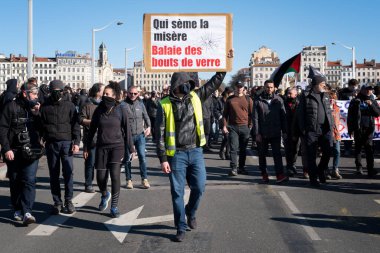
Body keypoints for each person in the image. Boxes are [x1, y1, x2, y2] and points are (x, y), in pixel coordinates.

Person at [156, 71, 226, 242]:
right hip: (176, 154)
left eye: (189, 82)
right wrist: (163, 159)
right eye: (185, 82)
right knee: (177, 192)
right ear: (176, 85)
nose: (188, 85)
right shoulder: (164, 104)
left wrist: (223, 67)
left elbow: (213, 83)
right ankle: (180, 226)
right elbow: (159, 135)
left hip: (195, 151)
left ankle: (191, 212)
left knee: (200, 187)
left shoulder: (195, 96)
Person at [84, 81, 135, 218]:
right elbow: (92, 130)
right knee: (100, 178)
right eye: (103, 93)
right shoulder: (98, 110)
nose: (104, 95)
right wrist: (87, 147)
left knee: (115, 176)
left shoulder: (121, 109)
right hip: (101, 147)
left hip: (117, 147)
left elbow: (127, 130)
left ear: (114, 96)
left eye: (107, 94)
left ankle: (114, 206)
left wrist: (131, 148)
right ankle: (105, 193)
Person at [0, 81, 43, 225]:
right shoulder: (10, 106)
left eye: (37, 94)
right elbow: (3, 129)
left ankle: (27, 211)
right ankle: (17, 208)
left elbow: (44, 128)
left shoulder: (36, 108)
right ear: (25, 93)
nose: (36, 97)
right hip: (15, 150)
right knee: (15, 180)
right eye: (34, 94)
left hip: (32, 150)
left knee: (29, 180)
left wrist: (37, 114)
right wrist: (6, 149)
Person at [40, 80, 81, 214]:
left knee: (68, 173)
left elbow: (75, 125)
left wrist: (76, 143)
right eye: (54, 91)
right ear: (50, 92)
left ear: (63, 91)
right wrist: (42, 138)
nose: (57, 93)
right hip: (52, 143)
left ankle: (68, 201)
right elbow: (41, 125)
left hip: (67, 143)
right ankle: (57, 202)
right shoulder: (45, 107)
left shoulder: (70, 106)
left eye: (59, 91)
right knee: (54, 174)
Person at [295, 66, 333, 187]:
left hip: (325, 130)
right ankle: (313, 178)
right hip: (311, 130)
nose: (324, 85)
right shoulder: (306, 96)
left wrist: (332, 126)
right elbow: (300, 115)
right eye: (322, 83)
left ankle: (321, 170)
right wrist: (303, 130)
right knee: (311, 156)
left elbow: (328, 112)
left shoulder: (326, 95)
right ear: (316, 84)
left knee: (327, 152)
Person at [253, 80, 288, 183]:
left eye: (271, 87)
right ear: (264, 87)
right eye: (267, 87)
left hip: (275, 132)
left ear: (274, 88)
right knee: (262, 154)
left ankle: (280, 175)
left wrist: (284, 131)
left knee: (277, 154)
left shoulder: (279, 100)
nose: (269, 89)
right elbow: (255, 118)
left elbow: (283, 117)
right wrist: (257, 133)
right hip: (262, 133)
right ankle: (264, 174)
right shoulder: (258, 100)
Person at [347, 84, 380, 177]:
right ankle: (359, 168)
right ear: (362, 90)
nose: (369, 91)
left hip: (369, 128)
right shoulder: (355, 101)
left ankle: (370, 169)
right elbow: (350, 116)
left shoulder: (372, 100)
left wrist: (371, 105)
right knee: (358, 149)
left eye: (370, 90)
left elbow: (377, 113)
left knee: (369, 149)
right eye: (367, 90)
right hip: (358, 128)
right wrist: (350, 129)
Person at [223, 80, 253, 176]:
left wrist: (250, 125)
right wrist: (224, 126)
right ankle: (233, 168)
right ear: (235, 87)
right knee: (233, 148)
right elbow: (225, 114)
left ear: (243, 88)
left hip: (245, 127)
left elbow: (252, 114)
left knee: (243, 149)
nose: (239, 88)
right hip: (233, 127)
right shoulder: (230, 99)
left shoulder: (248, 99)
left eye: (241, 87)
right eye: (237, 86)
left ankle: (241, 168)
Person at [123, 85, 151, 189]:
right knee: (127, 159)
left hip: (140, 135)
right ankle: (129, 180)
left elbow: (146, 116)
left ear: (138, 94)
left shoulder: (141, 104)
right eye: (131, 93)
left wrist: (149, 126)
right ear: (127, 93)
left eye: (135, 93)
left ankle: (144, 179)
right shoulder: (123, 105)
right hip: (127, 136)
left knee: (142, 158)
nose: (133, 95)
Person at [80, 83, 105, 193]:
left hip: (104, 138)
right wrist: (93, 122)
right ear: (97, 91)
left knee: (102, 163)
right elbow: (81, 119)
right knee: (90, 163)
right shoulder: (87, 104)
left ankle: (102, 184)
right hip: (91, 138)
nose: (104, 92)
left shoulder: (105, 104)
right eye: (103, 90)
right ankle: (88, 184)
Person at [338, 79, 359, 157]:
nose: (354, 88)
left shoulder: (357, 92)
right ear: (349, 85)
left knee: (354, 132)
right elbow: (339, 102)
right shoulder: (343, 92)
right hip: (345, 116)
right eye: (353, 86)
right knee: (346, 131)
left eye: (355, 86)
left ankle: (352, 148)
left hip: (354, 115)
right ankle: (347, 149)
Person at [217, 87, 233, 160]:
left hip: (231, 121)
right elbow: (215, 110)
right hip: (223, 121)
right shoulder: (220, 101)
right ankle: (221, 151)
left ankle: (227, 153)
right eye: (231, 93)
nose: (232, 94)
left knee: (230, 138)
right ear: (227, 93)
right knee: (226, 137)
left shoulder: (232, 100)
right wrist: (220, 116)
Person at [329, 91, 342, 179]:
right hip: (327, 133)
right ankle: (325, 170)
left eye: (333, 98)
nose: (332, 100)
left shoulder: (337, 108)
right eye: (330, 99)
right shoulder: (325, 108)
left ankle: (335, 169)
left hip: (336, 133)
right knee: (326, 153)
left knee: (337, 151)